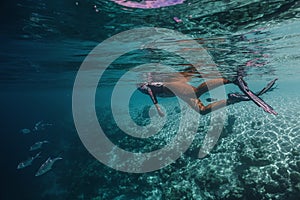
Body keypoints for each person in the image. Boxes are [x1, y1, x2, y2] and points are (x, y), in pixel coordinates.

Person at [137, 67, 278, 116]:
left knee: (197, 92)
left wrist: (156, 106)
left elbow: (149, 90)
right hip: (178, 93)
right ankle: (233, 99)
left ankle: (230, 79)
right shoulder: (142, 85)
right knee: (202, 111)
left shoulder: (143, 86)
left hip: (173, 86)